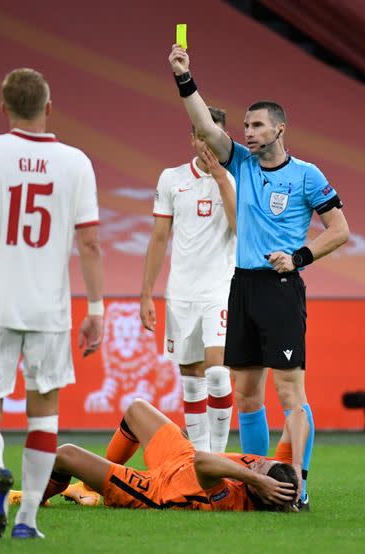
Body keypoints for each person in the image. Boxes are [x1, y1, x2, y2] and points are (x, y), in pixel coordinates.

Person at [167, 44, 351, 510]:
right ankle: (256, 482)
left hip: (281, 289)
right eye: (245, 126)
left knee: (291, 393)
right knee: (248, 396)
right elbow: (207, 126)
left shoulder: (307, 176)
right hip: (243, 286)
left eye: (256, 125)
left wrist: (300, 257)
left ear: (279, 129)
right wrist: (184, 78)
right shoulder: (241, 165)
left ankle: (298, 486)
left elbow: (341, 230)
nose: (247, 133)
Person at [0, 67, 104, 540]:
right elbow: (90, 245)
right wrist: (96, 309)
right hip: (47, 309)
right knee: (44, 414)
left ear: (5, 109)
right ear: (49, 108)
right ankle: (28, 520)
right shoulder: (76, 162)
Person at [139, 107, 236, 454]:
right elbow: (159, 238)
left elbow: (242, 229)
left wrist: (221, 177)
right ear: (192, 137)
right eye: (201, 135)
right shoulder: (171, 178)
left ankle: (218, 457)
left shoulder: (237, 178)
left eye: (214, 136)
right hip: (181, 294)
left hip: (220, 290)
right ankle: (200, 459)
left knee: (217, 373)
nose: (207, 143)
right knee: (192, 380)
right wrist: (146, 294)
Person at [40, 398, 302, 512]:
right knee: (136, 410)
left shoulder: (230, 500)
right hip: (180, 458)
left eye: (261, 469)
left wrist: (256, 478)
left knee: (65, 455)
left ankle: (34, 499)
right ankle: (87, 488)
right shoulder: (271, 472)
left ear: (259, 490)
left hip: (157, 489)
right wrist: (299, 470)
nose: (260, 462)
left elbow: (203, 461)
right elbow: (299, 417)